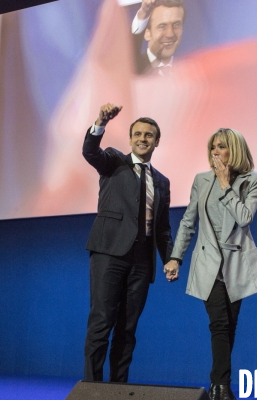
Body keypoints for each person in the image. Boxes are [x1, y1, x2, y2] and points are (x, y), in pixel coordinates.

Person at [163, 128, 257, 400]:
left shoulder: (253, 180)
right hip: (208, 261)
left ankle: (217, 383)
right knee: (219, 323)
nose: (216, 153)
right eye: (213, 147)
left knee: (230, 326)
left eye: (221, 147)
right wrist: (176, 257)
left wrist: (225, 185)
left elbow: (244, 217)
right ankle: (221, 388)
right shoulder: (201, 180)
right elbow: (189, 220)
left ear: (235, 150)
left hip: (236, 265)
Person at [82, 102, 174, 382]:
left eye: (148, 135)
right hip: (109, 253)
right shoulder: (113, 161)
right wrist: (100, 122)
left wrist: (170, 257)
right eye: (137, 134)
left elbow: (162, 228)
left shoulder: (162, 181)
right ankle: (93, 388)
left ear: (157, 141)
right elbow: (90, 151)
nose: (142, 139)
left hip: (141, 261)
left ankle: (118, 387)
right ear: (130, 139)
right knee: (102, 322)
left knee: (127, 328)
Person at [131, 0, 185, 75]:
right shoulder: (132, 69)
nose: (170, 34)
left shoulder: (187, 72)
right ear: (147, 33)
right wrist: (143, 13)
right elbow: (129, 50)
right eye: (162, 26)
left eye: (176, 25)